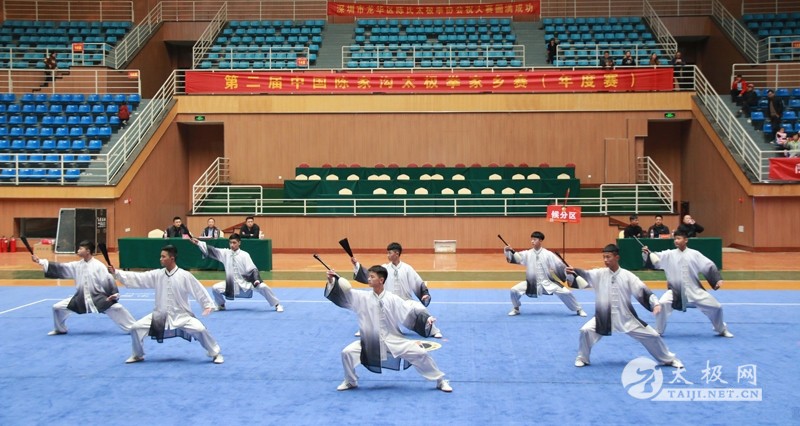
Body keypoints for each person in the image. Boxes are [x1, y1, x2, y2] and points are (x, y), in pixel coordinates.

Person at [324, 266, 452, 392]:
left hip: (394, 340)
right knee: (347, 353)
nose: (368, 279)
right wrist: (331, 281)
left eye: (372, 277)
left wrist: (426, 318)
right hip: (371, 342)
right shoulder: (362, 297)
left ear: (381, 280)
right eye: (369, 276)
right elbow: (345, 295)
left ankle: (440, 381)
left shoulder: (392, 298)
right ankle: (350, 381)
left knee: (421, 354)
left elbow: (409, 309)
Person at [566, 244, 683, 369]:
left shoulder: (627, 275)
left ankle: (669, 360)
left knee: (653, 336)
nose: (605, 260)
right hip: (604, 317)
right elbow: (582, 277)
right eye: (604, 257)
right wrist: (571, 273)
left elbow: (641, 289)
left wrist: (655, 304)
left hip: (626, 317)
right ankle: (582, 358)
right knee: (585, 331)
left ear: (617, 257)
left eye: (608, 257)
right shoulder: (598, 274)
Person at [109, 245, 224, 364]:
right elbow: (139, 278)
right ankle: (137, 354)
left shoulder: (184, 275)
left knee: (200, 329)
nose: (160, 259)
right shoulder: (157, 274)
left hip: (181, 315)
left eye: (163, 257)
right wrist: (116, 272)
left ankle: (215, 353)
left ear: (172, 258)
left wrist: (207, 305)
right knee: (136, 328)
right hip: (160, 315)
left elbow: (197, 289)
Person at [642, 230, 733, 338]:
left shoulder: (695, 254)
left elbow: (708, 265)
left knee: (717, 307)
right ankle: (658, 330)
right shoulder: (669, 254)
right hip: (675, 292)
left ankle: (721, 329)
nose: (676, 241)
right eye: (675, 239)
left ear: (686, 240)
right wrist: (646, 254)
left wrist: (716, 279)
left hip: (695, 291)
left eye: (679, 238)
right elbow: (655, 259)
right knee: (662, 304)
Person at [32, 240, 135, 336]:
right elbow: (61, 267)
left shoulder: (99, 266)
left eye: (80, 248)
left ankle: (134, 328)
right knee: (57, 307)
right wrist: (39, 261)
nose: (78, 250)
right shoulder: (77, 265)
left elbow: (108, 280)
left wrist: (114, 295)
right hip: (80, 299)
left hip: (97, 299)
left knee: (118, 308)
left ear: (88, 251)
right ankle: (60, 329)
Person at [351, 242, 443, 338]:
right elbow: (370, 275)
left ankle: (434, 331)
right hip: (388, 302)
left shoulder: (407, 269)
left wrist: (424, 293)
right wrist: (356, 265)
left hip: (405, 301)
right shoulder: (384, 269)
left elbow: (417, 282)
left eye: (389, 253)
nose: (387, 255)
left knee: (420, 308)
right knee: (372, 308)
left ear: (397, 253)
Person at [191, 234, 283, 312]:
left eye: (234, 243)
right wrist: (198, 243)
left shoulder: (245, 255)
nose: (232, 245)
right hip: (232, 284)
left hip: (246, 283)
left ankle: (277, 304)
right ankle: (221, 305)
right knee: (215, 288)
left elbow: (253, 269)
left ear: (239, 243)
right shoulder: (225, 253)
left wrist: (256, 280)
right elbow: (212, 250)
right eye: (230, 243)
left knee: (263, 287)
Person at [503, 231, 586, 317]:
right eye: (531, 239)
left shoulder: (548, 254)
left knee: (566, 293)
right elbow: (516, 257)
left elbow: (559, 265)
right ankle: (516, 308)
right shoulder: (527, 253)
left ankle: (578, 309)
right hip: (532, 283)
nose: (532, 241)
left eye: (534, 239)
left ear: (540, 240)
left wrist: (567, 270)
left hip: (548, 282)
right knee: (514, 290)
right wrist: (507, 251)